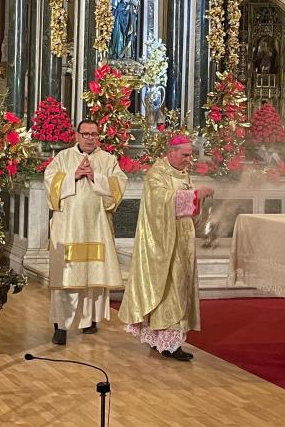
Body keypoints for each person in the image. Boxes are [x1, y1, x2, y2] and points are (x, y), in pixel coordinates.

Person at [120, 135, 209, 361]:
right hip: (163, 243)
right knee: (170, 288)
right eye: (185, 155)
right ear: (172, 151)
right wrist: (196, 195)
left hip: (183, 241)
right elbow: (160, 202)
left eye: (190, 155)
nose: (189, 159)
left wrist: (199, 200)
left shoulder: (183, 174)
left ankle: (165, 340)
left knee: (181, 287)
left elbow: (189, 205)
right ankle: (169, 344)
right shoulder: (156, 174)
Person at [46, 119, 125, 345]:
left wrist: (94, 177)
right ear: (77, 135)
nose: (90, 138)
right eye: (86, 134)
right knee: (66, 277)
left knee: (92, 276)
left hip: (95, 228)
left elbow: (119, 187)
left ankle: (90, 320)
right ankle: (60, 326)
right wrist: (74, 175)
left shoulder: (108, 160)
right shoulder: (63, 157)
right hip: (68, 228)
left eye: (94, 134)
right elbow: (50, 185)